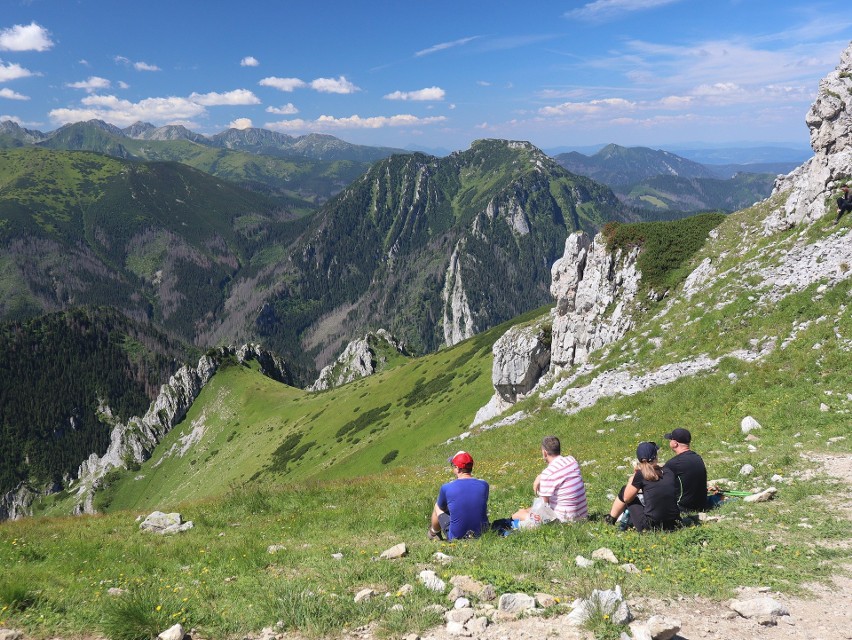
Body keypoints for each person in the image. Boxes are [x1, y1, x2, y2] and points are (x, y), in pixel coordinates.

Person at [605, 442, 680, 533]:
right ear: (656, 457)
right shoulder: (668, 472)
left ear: (639, 460)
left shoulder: (640, 474)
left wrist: (633, 478)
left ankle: (611, 520)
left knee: (625, 491)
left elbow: (626, 498)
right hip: (675, 523)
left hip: (650, 527)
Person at [512, 435, 588, 524]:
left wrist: (523, 513)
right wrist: (540, 476)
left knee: (517, 515)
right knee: (526, 510)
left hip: (563, 520)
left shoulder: (547, 473)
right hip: (582, 515)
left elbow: (542, 507)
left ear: (544, 453)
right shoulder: (572, 460)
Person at [428, 451, 490, 540]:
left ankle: (434, 533)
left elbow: (442, 507)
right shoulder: (484, 484)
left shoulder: (446, 487)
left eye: (453, 466)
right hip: (483, 533)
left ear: (457, 468)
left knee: (438, 506)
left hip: (457, 537)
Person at [662, 428, 708, 513]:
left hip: (684, 507)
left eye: (671, 439)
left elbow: (659, 483)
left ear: (675, 443)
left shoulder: (674, 463)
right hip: (702, 505)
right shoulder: (697, 457)